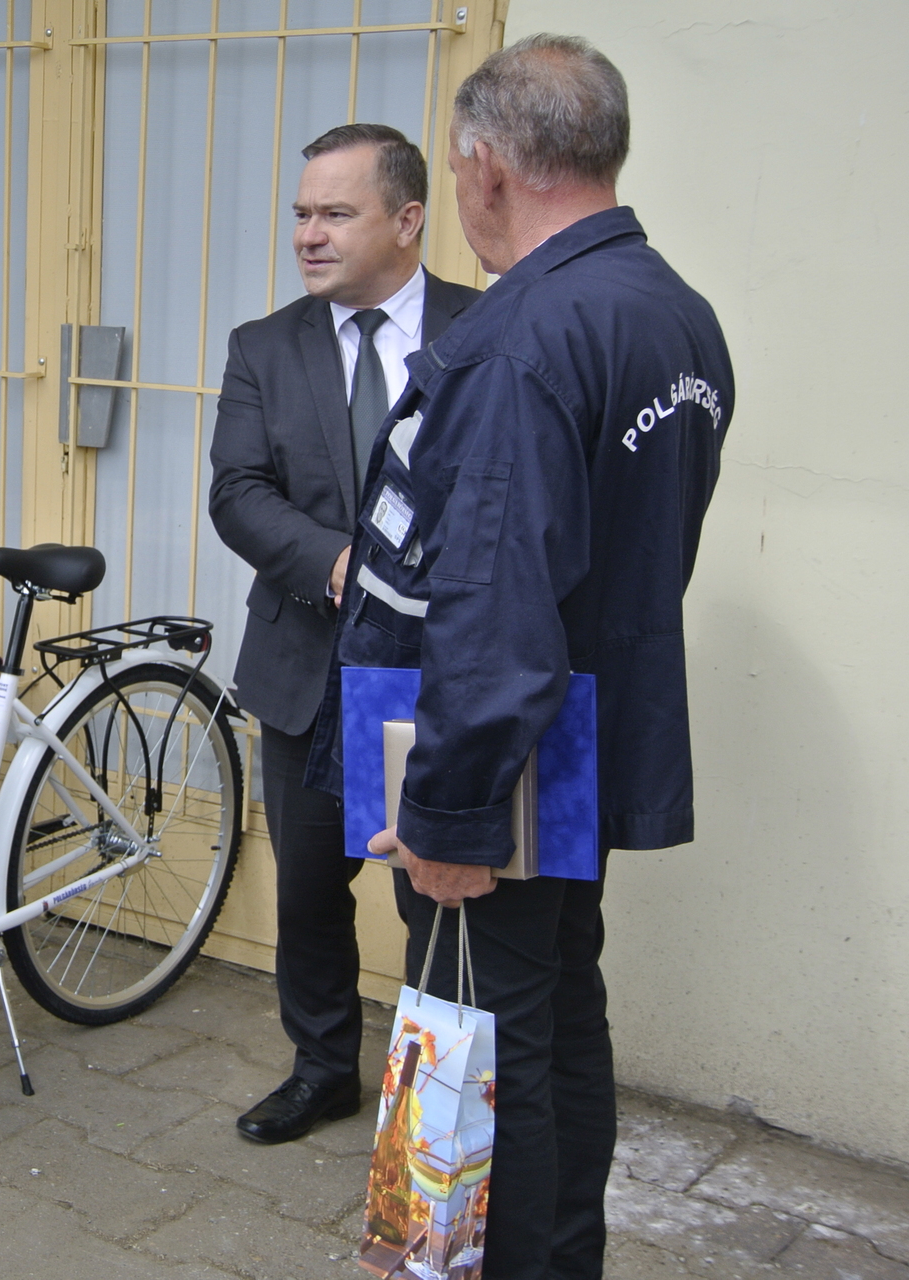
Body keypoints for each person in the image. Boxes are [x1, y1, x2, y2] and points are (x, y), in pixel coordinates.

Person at [319, 34, 734, 1278]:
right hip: (577, 749)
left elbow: (494, 602)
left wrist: (447, 816)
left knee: (494, 1048)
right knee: (554, 1016)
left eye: (455, 174)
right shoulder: (676, 315)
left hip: (501, 772)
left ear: (487, 168)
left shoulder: (521, 338)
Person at [208, 123, 479, 1146]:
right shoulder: (263, 346)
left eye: (335, 213)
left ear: (407, 220)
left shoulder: (484, 330)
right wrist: (339, 564)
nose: (308, 235)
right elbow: (238, 492)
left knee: (436, 901)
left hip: (434, 679)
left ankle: (430, 1111)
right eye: (301, 214)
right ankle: (323, 1069)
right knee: (312, 893)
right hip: (305, 665)